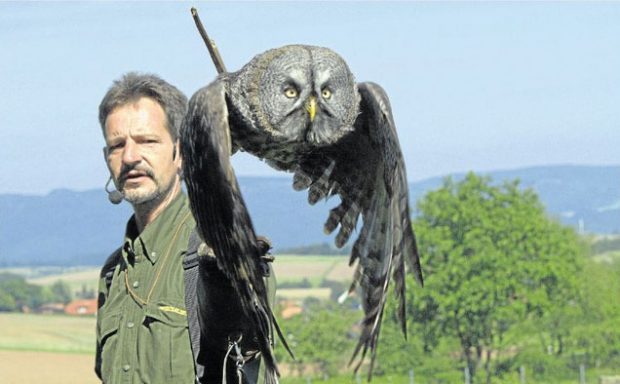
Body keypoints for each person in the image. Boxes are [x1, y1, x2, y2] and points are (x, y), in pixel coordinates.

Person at [95, 72, 273, 384]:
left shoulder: (215, 249)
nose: (130, 157)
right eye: (117, 145)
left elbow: (247, 348)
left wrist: (234, 276)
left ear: (182, 153)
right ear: (106, 158)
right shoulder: (112, 274)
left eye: (148, 141)